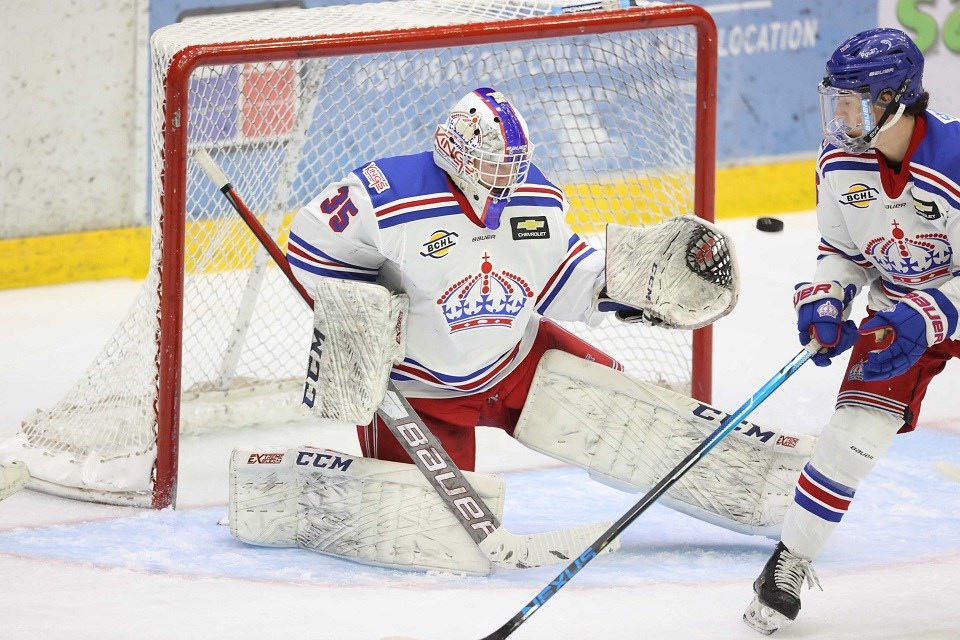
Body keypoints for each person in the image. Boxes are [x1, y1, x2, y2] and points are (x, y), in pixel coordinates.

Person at [744, 28, 960, 635]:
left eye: (854, 101)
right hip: (898, 308)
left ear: (897, 100)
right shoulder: (839, 161)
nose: (839, 114)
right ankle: (789, 561)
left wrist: (930, 313)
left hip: (942, 301)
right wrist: (829, 296)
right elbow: (842, 249)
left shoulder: (956, 163)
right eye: (834, 99)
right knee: (850, 434)